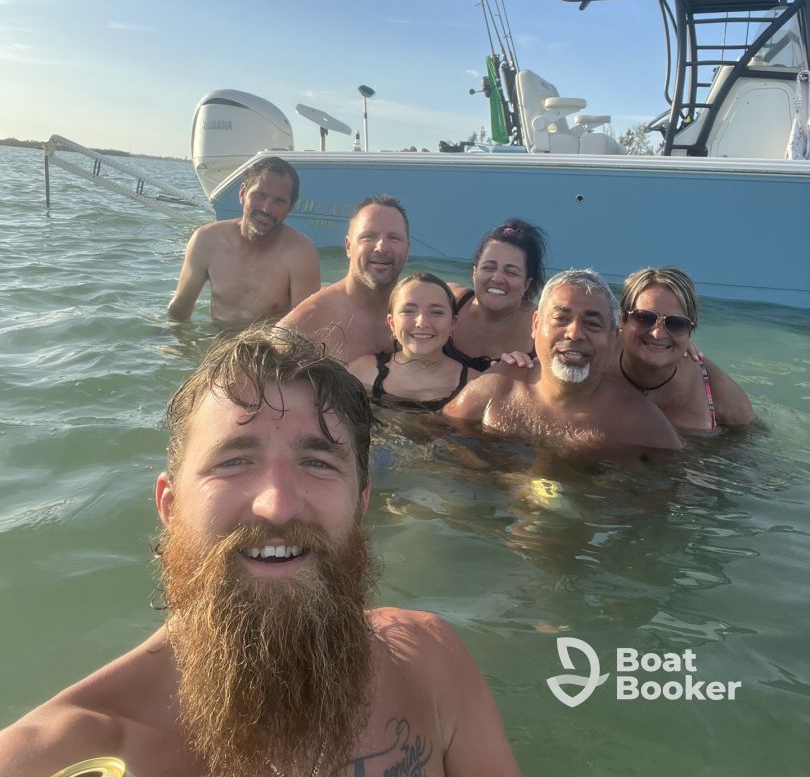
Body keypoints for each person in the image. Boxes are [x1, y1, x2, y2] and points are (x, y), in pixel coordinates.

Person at [0, 327, 522, 777]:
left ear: (361, 502)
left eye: (318, 463)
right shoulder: (54, 755)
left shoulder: (431, 665)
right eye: (234, 461)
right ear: (170, 506)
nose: (277, 505)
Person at [444, 269, 683, 456]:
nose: (574, 333)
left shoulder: (638, 421)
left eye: (592, 324)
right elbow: (438, 443)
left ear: (613, 338)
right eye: (561, 318)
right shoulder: (497, 387)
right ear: (536, 324)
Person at [167, 156, 320, 325]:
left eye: (279, 202)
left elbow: (306, 326)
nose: (266, 209)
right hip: (216, 337)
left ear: (290, 208)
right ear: (242, 194)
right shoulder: (206, 240)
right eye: (260, 195)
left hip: (269, 341)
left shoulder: (300, 253)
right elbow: (179, 310)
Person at [616, 267, 755, 432]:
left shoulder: (721, 396)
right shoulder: (597, 357)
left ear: (690, 331)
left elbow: (753, 441)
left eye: (676, 323)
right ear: (622, 319)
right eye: (644, 317)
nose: (657, 334)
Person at [279, 194, 410, 364]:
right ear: (348, 247)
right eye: (369, 236)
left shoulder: (424, 318)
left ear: (407, 249)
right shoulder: (309, 321)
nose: (381, 247)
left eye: (394, 238)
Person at [348, 272, 480, 411]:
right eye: (409, 311)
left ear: (453, 323)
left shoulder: (474, 385)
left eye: (436, 312)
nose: (422, 323)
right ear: (392, 323)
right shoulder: (362, 373)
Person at [445, 219, 547, 371]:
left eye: (511, 272)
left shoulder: (543, 328)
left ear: (527, 283)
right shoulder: (448, 301)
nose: (497, 278)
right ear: (474, 273)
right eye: (489, 267)